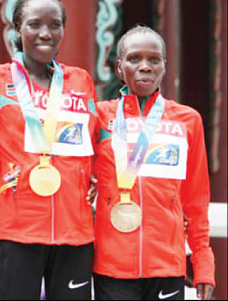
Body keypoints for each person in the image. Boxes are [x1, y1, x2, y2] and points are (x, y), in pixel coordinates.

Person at [0, 0, 97, 300]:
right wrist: (13, 165)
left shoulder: (80, 81)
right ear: (18, 30)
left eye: (55, 24)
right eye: (35, 24)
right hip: (18, 232)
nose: (45, 33)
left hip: (75, 234)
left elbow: (89, 142)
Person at [91, 24, 215, 300]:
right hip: (112, 266)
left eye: (154, 59)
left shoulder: (188, 120)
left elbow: (196, 199)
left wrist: (203, 261)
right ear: (120, 67)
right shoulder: (99, 116)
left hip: (167, 264)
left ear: (164, 66)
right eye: (135, 59)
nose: (145, 66)